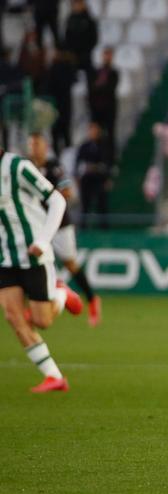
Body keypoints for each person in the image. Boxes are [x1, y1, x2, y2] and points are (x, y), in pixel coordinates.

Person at [0, 148, 83, 393]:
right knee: (13, 316)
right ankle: (54, 376)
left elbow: (57, 199)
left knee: (41, 321)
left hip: (34, 254)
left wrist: (45, 240)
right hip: (5, 257)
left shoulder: (16, 166)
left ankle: (62, 294)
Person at [28, 133, 102, 326]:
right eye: (32, 144)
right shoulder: (26, 167)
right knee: (31, 260)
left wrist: (46, 196)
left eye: (37, 143)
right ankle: (38, 303)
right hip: (37, 225)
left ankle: (92, 299)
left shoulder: (54, 167)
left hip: (59, 223)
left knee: (70, 263)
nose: (34, 147)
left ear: (46, 146)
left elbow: (67, 192)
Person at [75, 122, 115, 229]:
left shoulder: (104, 146)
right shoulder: (84, 147)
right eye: (91, 130)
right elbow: (78, 164)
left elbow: (108, 164)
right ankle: (83, 228)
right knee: (85, 206)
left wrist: (107, 178)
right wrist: (77, 178)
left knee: (102, 206)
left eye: (95, 130)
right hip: (86, 181)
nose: (93, 133)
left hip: (100, 180)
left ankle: (104, 230)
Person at [88, 47, 119, 157]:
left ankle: (111, 159)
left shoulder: (114, 73)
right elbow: (91, 88)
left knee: (110, 134)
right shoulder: (96, 72)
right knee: (96, 134)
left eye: (109, 55)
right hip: (96, 108)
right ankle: (97, 157)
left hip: (109, 108)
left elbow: (110, 89)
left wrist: (99, 87)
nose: (107, 57)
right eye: (106, 54)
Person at [63, 0, 97, 72]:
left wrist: (86, 51)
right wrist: (69, 50)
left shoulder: (89, 20)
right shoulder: (70, 19)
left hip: (85, 55)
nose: (76, 6)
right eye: (75, 4)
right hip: (72, 56)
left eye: (78, 4)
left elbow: (94, 38)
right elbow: (67, 36)